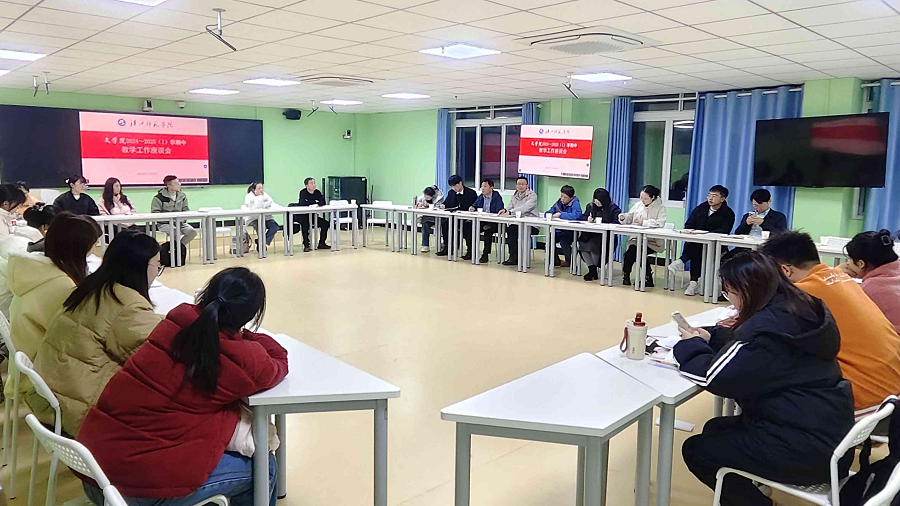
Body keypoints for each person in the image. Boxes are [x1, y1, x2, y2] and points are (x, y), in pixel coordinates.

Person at [77, 267, 288, 506]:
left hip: (94, 473)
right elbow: (278, 359)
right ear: (249, 315)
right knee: (264, 467)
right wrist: (244, 335)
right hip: (136, 492)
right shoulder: (240, 359)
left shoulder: (174, 323)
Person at [675, 251, 854, 506]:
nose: (730, 300)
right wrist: (713, 337)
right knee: (716, 428)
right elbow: (760, 352)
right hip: (832, 437)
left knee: (697, 450)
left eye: (728, 292)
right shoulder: (801, 307)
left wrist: (690, 345)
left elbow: (715, 378)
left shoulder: (763, 329)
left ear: (745, 290)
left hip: (805, 451)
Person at [28, 230, 163, 435]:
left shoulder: (93, 288)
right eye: (157, 266)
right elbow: (158, 356)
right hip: (82, 413)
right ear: (140, 266)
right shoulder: (126, 304)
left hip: (55, 398)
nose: (157, 272)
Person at [760, 231, 900, 416]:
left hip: (865, 400)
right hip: (892, 391)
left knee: (772, 372)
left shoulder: (799, 295)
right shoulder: (847, 280)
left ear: (786, 270)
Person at [4, 213, 101, 402]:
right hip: (44, 373)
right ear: (78, 248)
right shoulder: (61, 285)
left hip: (29, 361)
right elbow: (78, 337)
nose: (94, 250)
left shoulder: (36, 271)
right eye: (92, 244)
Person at [669, 185, 735, 296]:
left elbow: (724, 230)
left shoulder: (728, 213)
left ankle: (683, 264)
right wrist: (691, 232)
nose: (710, 198)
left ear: (722, 199)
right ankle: (693, 282)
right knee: (695, 246)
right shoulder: (701, 208)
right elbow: (689, 224)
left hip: (715, 244)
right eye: (709, 195)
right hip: (696, 241)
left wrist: (705, 234)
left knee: (696, 247)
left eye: (714, 196)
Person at [842, 230, 900, 334]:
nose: (847, 263)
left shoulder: (868, 290)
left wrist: (838, 276)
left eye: (850, 259)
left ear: (860, 264)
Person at [620, 185, 667, 287]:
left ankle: (647, 278)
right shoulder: (638, 205)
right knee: (631, 251)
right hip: (637, 239)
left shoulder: (660, 208)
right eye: (641, 197)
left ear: (652, 198)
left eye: (645, 198)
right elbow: (629, 218)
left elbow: (660, 223)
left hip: (652, 241)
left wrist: (644, 222)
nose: (642, 200)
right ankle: (626, 275)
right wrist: (623, 217)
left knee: (639, 251)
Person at [578, 188, 621, 282]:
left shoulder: (614, 208)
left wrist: (604, 223)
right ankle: (592, 269)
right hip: (590, 234)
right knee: (582, 243)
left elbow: (617, 223)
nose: (596, 203)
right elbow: (582, 217)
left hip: (606, 237)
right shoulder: (590, 206)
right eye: (595, 201)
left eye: (599, 201)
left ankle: (594, 268)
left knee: (593, 245)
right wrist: (587, 219)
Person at [499, 177, 539, 266]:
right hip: (518, 224)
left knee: (514, 230)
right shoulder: (515, 195)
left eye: (523, 184)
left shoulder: (532, 196)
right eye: (519, 184)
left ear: (527, 185)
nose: (520, 186)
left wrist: (510, 212)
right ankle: (513, 256)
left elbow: (525, 208)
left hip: (531, 225)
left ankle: (522, 259)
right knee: (510, 229)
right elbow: (510, 206)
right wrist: (505, 210)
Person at [437, 175, 478, 260]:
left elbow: (476, 205)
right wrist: (443, 205)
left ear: (460, 183)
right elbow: (447, 203)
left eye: (455, 186)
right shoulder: (451, 193)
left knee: (468, 228)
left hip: (467, 219)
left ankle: (470, 251)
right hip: (455, 218)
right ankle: (448, 247)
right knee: (445, 224)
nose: (454, 188)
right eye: (452, 186)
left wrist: (472, 208)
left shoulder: (471, 193)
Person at [151, 175, 198, 246]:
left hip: (180, 222)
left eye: (179, 183)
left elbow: (185, 209)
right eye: (176, 183)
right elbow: (155, 212)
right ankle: (174, 249)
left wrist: (182, 220)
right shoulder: (159, 198)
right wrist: (168, 220)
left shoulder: (182, 196)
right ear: (168, 186)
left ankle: (179, 247)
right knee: (175, 231)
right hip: (164, 224)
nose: (179, 185)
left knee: (192, 232)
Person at [469, 179, 505, 264]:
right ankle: (470, 251)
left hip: (494, 222)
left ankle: (485, 254)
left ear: (491, 187)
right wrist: (472, 207)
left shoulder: (496, 197)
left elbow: (499, 210)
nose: (483, 188)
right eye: (482, 186)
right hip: (483, 221)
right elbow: (475, 205)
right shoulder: (481, 196)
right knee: (469, 227)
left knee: (487, 231)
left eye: (485, 186)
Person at [547, 185, 582, 267]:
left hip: (571, 231)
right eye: (561, 196)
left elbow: (576, 215)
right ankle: (555, 261)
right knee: (550, 238)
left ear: (571, 198)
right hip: (560, 229)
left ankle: (570, 262)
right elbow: (549, 211)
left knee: (564, 241)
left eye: (565, 197)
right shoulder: (558, 202)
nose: (562, 199)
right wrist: (549, 215)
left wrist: (561, 215)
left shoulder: (575, 203)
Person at [293, 177, 329, 252]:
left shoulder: (317, 192)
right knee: (305, 224)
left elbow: (323, 202)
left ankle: (322, 243)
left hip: (312, 215)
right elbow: (302, 203)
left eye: (314, 183)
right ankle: (306, 244)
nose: (314, 185)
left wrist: (310, 202)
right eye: (311, 183)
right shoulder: (303, 192)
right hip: (303, 215)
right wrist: (315, 201)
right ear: (306, 185)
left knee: (325, 224)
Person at [244, 182, 279, 247]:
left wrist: (265, 202)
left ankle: (262, 241)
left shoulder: (265, 194)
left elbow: (271, 201)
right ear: (253, 189)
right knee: (261, 226)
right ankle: (261, 245)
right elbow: (254, 206)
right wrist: (260, 199)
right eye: (259, 188)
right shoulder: (249, 196)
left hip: (266, 217)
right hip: (253, 219)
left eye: (262, 188)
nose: (261, 190)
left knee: (275, 226)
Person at [415, 185, 444, 253]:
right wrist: (420, 204)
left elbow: (439, 207)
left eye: (428, 198)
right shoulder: (424, 195)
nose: (426, 198)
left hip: (438, 217)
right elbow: (417, 201)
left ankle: (442, 244)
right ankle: (425, 245)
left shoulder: (439, 197)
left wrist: (430, 205)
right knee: (425, 223)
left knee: (443, 225)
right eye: (425, 197)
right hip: (428, 217)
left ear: (433, 196)